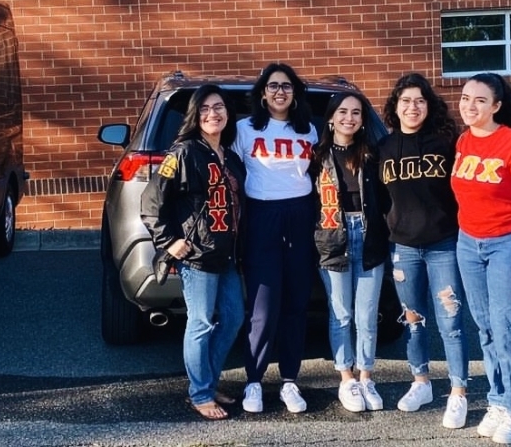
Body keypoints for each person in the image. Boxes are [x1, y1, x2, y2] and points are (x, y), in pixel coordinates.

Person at [140, 84, 246, 421]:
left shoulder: (230, 155)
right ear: (195, 116)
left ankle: (209, 382)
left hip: (226, 256)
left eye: (218, 107)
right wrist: (168, 240)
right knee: (200, 323)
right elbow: (151, 201)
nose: (213, 114)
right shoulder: (182, 153)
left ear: (228, 114)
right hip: (197, 256)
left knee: (232, 318)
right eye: (205, 109)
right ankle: (200, 393)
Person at [451, 72, 511, 445]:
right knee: (485, 328)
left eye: (480, 101)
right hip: (468, 243)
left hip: (507, 244)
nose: (470, 106)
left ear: (497, 106)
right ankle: (498, 401)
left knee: (507, 331)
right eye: (466, 98)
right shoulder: (463, 140)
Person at [378, 73, 469, 429]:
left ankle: (458, 392)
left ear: (428, 106)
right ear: (395, 106)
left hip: (443, 244)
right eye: (405, 101)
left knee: (451, 322)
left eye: (419, 100)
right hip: (403, 248)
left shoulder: (446, 144)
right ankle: (421, 383)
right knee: (413, 321)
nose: (412, 107)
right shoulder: (383, 148)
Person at [232, 62, 318, 414]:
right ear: (263, 93)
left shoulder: (310, 131)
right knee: (264, 306)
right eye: (273, 86)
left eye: (286, 86)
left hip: (300, 216)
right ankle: (253, 381)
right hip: (262, 216)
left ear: (294, 93)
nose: (279, 92)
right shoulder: (243, 129)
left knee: (297, 303)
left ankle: (289, 381)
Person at [310, 90, 390, 413]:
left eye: (356, 112)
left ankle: (366, 376)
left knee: (366, 315)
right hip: (333, 239)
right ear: (330, 117)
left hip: (369, 236)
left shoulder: (373, 153)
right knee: (341, 314)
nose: (349, 118)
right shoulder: (315, 156)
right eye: (342, 112)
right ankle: (346, 378)